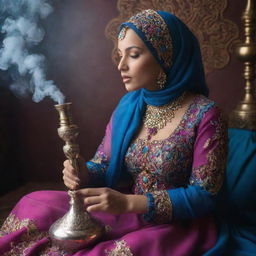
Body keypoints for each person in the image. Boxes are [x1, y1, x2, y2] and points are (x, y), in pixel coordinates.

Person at [0, 9, 227, 255]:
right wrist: (82, 171)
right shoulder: (129, 106)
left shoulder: (205, 114)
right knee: (35, 206)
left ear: (166, 57)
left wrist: (129, 203)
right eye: (120, 55)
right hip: (125, 210)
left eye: (134, 55)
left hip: (177, 224)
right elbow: (103, 165)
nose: (121, 65)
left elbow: (204, 195)